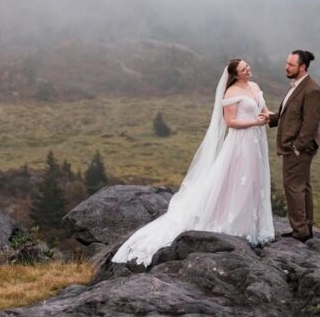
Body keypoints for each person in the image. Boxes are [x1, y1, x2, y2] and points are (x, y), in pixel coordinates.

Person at [112, 59, 275, 266]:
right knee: (240, 181)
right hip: (240, 142)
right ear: (235, 74)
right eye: (244, 69)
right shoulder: (231, 92)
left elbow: (264, 111)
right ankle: (238, 227)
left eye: (248, 66)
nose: (248, 70)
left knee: (254, 180)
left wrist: (276, 117)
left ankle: (254, 226)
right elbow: (230, 122)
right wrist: (254, 122)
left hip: (257, 141)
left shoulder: (255, 86)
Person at [267, 50, 320, 242]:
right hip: (296, 147)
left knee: (293, 187)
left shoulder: (312, 90)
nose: (286, 67)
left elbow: (311, 123)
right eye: (287, 63)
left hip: (298, 149)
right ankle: (305, 228)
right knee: (302, 186)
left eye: (291, 65)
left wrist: (297, 146)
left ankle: (300, 231)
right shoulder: (298, 85)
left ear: (302, 67)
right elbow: (289, 115)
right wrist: (271, 118)